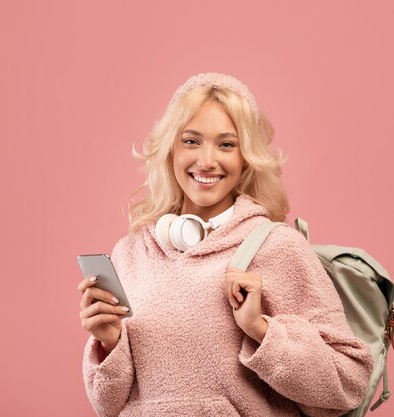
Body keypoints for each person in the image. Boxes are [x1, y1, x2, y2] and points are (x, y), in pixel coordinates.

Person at [77, 72, 374, 417]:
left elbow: (349, 381)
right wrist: (109, 343)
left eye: (226, 144)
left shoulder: (276, 246)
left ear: (246, 158)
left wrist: (261, 331)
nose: (206, 161)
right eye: (191, 141)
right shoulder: (130, 254)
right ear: (170, 149)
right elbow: (107, 405)